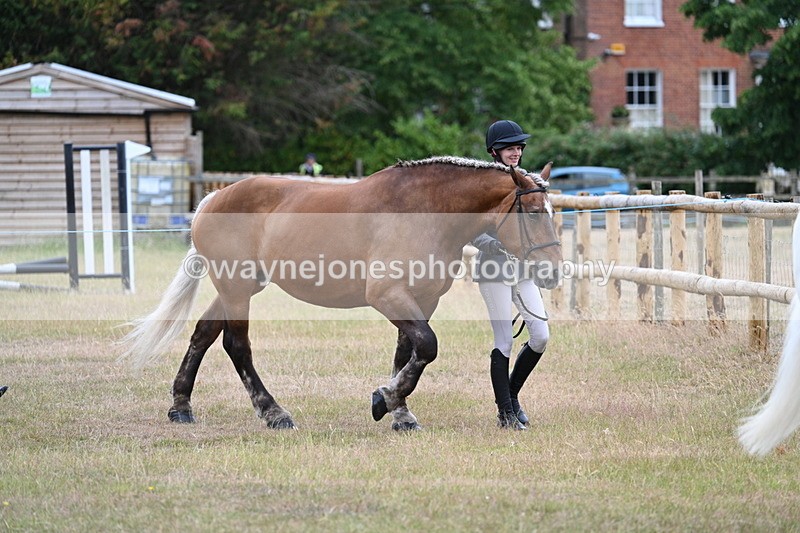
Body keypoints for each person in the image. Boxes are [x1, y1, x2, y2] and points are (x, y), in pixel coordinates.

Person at [472, 119, 550, 430]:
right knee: (503, 341)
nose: (515, 152)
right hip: (493, 270)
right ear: (494, 151)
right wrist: (491, 243)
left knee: (541, 336)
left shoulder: (530, 182)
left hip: (523, 271)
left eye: (518, 147)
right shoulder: (483, 184)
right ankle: (505, 413)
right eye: (509, 147)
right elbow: (469, 226)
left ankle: (512, 396)